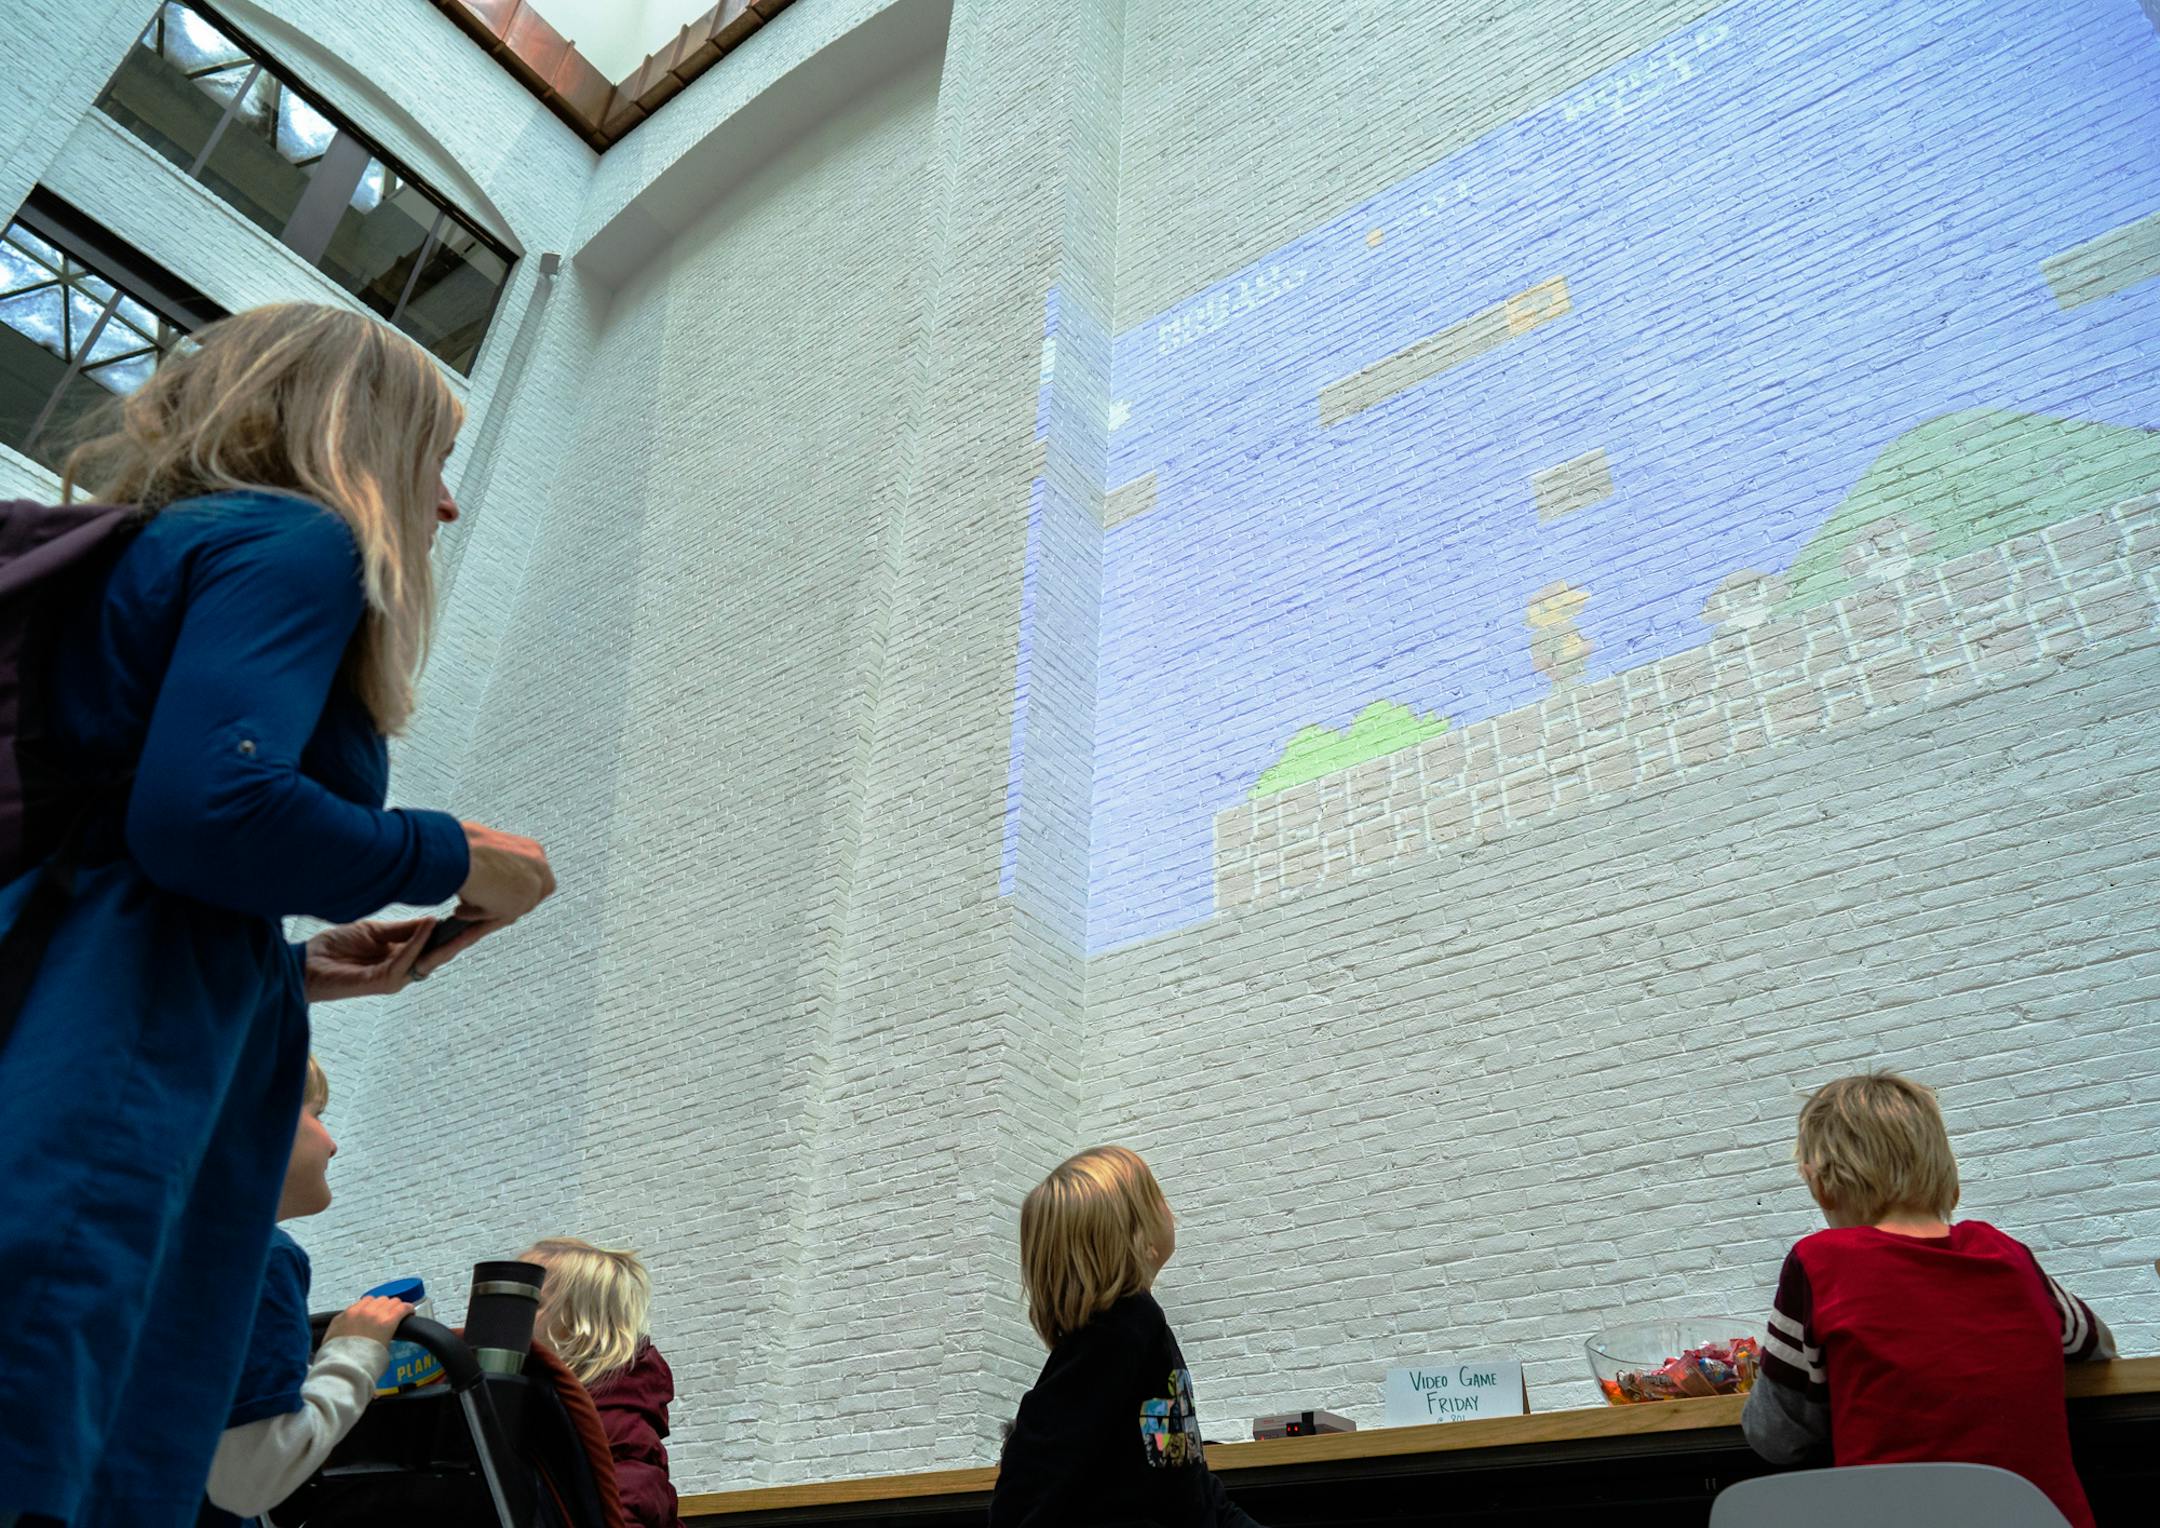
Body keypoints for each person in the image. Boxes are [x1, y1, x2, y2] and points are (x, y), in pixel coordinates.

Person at [0, 303, 556, 1528]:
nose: (447, 506)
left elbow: (129, 849)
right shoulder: (299, 542)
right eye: (435, 458)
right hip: (121, 1071)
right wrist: (459, 852)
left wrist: (297, 975)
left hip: (80, 1004)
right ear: (358, 437)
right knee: (56, 1412)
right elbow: (210, 813)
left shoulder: (157, 549)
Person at [1741, 1072, 2114, 1526]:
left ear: (1821, 1185)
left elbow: (1776, 1436)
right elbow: (2095, 1348)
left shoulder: (1819, 1263)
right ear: (1946, 1173)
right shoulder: (2009, 1255)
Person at [990, 1146, 1262, 1528]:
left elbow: (1185, 1484)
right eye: (1157, 1197)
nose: (1170, 1207)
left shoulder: (1140, 1330)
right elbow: (1032, 1475)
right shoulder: (1124, 1327)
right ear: (1136, 1236)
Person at [202, 1057, 410, 1525]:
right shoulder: (256, 1254)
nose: (332, 1145)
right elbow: (249, 1477)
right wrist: (353, 1353)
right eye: (317, 1115)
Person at [520, 1237, 684, 1528]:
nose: (509, 1311)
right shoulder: (528, 1400)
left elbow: (626, 1507)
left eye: (531, 1301)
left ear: (579, 1328)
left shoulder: (618, 1422)